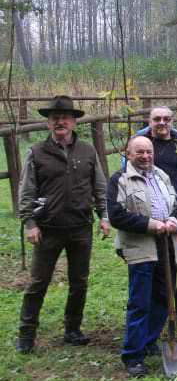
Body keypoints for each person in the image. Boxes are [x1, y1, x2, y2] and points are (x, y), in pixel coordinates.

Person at [16, 95, 111, 354]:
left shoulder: (87, 150)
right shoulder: (37, 152)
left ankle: (72, 329)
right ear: (48, 123)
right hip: (48, 229)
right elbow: (27, 190)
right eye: (54, 118)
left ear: (73, 122)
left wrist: (104, 215)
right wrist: (30, 222)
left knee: (79, 281)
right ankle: (26, 333)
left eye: (64, 118)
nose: (60, 122)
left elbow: (99, 185)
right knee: (38, 282)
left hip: (80, 227)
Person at [108, 136, 177, 377]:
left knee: (163, 297)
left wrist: (175, 219)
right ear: (128, 153)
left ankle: (149, 340)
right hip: (141, 247)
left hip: (166, 245)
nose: (145, 156)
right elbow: (116, 215)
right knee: (140, 301)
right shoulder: (120, 180)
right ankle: (133, 355)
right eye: (139, 152)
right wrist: (150, 224)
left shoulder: (162, 175)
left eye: (149, 152)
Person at [134, 105, 177, 318]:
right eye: (157, 118)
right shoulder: (140, 145)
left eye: (166, 119)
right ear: (149, 121)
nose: (162, 123)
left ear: (172, 121)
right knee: (156, 265)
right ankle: (157, 308)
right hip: (149, 215)